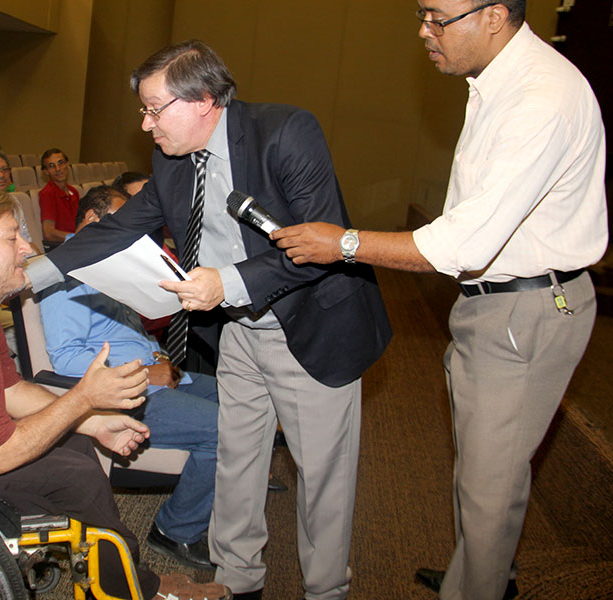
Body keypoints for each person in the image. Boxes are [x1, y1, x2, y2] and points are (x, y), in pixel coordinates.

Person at [25, 40, 392, 600]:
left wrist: (230, 282)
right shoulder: (170, 160)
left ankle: (325, 590)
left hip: (310, 327)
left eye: (153, 108)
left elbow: (320, 240)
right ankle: (237, 579)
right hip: (240, 331)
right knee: (238, 457)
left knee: (322, 476)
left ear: (201, 100)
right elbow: (121, 228)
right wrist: (33, 273)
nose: (144, 124)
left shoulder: (286, 132)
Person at [269, 2, 606, 599]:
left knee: (489, 486)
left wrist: (342, 243)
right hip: (499, 304)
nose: (423, 31)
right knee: (482, 473)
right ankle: (478, 573)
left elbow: (464, 244)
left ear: (495, 14)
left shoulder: (540, 97)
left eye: (437, 16)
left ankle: (476, 588)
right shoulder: (499, 80)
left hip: (524, 310)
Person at [0, 185, 231, 600]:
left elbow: (11, 390)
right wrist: (83, 398)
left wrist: (95, 423)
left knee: (80, 449)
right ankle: (132, 588)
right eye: (12, 238)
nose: (28, 247)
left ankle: (121, 579)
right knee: (78, 476)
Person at [39, 185, 219, 570]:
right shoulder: (65, 272)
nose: (134, 234)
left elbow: (130, 331)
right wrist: (144, 372)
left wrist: (159, 358)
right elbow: (66, 358)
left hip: (157, 373)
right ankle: (176, 529)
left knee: (243, 399)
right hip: (126, 393)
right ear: (91, 221)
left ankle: (234, 484)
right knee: (226, 428)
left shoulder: (108, 264)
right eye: (124, 223)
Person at [38, 148, 79, 246]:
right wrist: (76, 237)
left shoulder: (74, 191)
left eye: (61, 163)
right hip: (61, 246)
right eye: (51, 166)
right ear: (46, 171)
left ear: (67, 164)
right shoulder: (47, 193)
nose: (58, 169)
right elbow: (48, 233)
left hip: (75, 242)